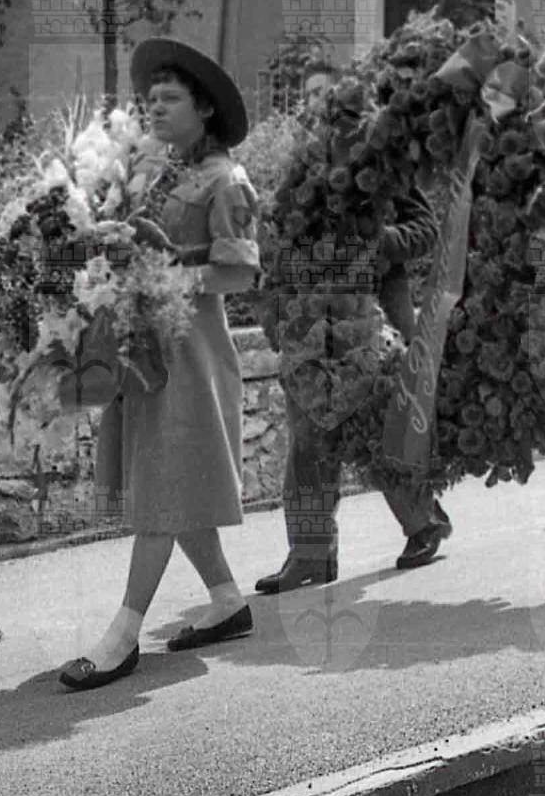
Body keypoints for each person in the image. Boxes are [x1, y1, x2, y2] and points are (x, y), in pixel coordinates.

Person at [60, 40, 263, 691]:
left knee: (162, 489)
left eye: (170, 98)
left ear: (204, 109)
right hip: (147, 351)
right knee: (172, 481)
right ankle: (227, 600)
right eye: (151, 99)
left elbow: (240, 271)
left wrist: (169, 279)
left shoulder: (226, 181)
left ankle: (122, 636)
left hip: (191, 357)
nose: (155, 108)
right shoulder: (155, 174)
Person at [257, 64, 453, 597]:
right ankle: (310, 553)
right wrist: (276, 306)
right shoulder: (299, 171)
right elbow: (278, 237)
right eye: (315, 102)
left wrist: (375, 242)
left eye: (333, 102)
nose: (324, 113)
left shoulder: (383, 164)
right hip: (308, 321)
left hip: (368, 316)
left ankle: (423, 520)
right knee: (308, 436)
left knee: (375, 431)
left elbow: (425, 229)